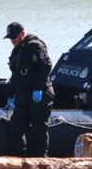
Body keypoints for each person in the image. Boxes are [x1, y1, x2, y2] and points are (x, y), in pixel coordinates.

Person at [3, 21, 55, 157]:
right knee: (15, 127)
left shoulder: (35, 46)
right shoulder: (16, 51)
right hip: (24, 94)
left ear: (22, 33)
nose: (13, 41)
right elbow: (15, 74)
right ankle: (19, 157)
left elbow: (46, 66)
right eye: (11, 38)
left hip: (40, 93)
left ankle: (40, 158)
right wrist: (10, 95)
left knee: (39, 127)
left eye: (14, 37)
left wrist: (37, 89)